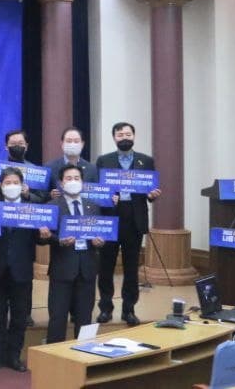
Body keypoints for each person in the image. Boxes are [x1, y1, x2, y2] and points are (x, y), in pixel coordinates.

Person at [94, 122, 160, 326]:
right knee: (106, 267)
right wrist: (106, 198)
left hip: (134, 219)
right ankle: (105, 308)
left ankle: (129, 310)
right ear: (114, 137)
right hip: (110, 219)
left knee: (132, 268)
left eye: (128, 134)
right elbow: (97, 190)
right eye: (120, 134)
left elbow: (150, 190)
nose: (124, 137)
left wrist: (152, 195)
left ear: (134, 136)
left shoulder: (146, 161)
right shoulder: (103, 160)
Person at [0, 168, 40, 372]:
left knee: (19, 316)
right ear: (1, 186)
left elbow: (40, 239)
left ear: (22, 185)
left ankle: (14, 356)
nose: (11, 186)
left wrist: (43, 234)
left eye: (15, 182)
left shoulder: (32, 209)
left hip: (22, 269)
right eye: (7, 182)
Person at [43, 165, 105, 343]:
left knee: (85, 317)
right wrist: (58, 240)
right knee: (57, 317)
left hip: (87, 269)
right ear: (61, 183)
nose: (73, 181)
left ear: (82, 182)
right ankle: (54, 353)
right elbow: (42, 238)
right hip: (62, 269)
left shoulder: (93, 206)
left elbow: (101, 233)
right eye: (68, 178)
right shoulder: (52, 206)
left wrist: (100, 241)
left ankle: (84, 353)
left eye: (76, 178)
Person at [45, 127, 99, 196]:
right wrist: (50, 195)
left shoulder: (92, 169)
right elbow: (41, 195)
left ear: (82, 144)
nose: (72, 144)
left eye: (76, 141)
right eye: (69, 141)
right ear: (62, 144)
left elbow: (96, 195)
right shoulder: (49, 167)